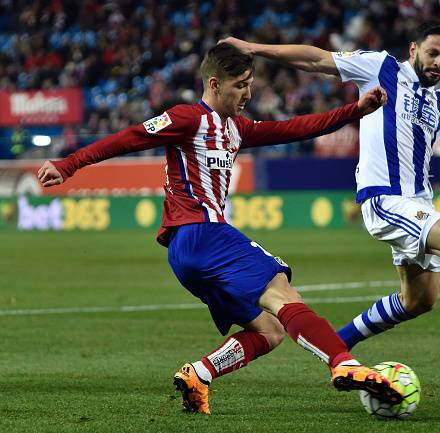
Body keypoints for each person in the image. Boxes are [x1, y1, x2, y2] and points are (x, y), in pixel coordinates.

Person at [37, 43, 402, 415]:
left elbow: (293, 128)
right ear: (214, 83)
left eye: (250, 84)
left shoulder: (236, 128)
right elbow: (130, 138)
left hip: (187, 254)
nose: (248, 93)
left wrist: (353, 111)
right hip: (203, 233)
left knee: (270, 330)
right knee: (282, 292)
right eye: (240, 85)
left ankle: (199, 374)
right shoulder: (187, 118)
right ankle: (343, 362)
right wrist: (69, 165)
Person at [221, 19, 440, 376]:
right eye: (433, 53)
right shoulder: (381, 68)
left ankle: (338, 344)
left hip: (418, 204)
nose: (439, 62)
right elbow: (317, 59)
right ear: (414, 50)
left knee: (419, 300)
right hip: (384, 199)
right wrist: (255, 48)